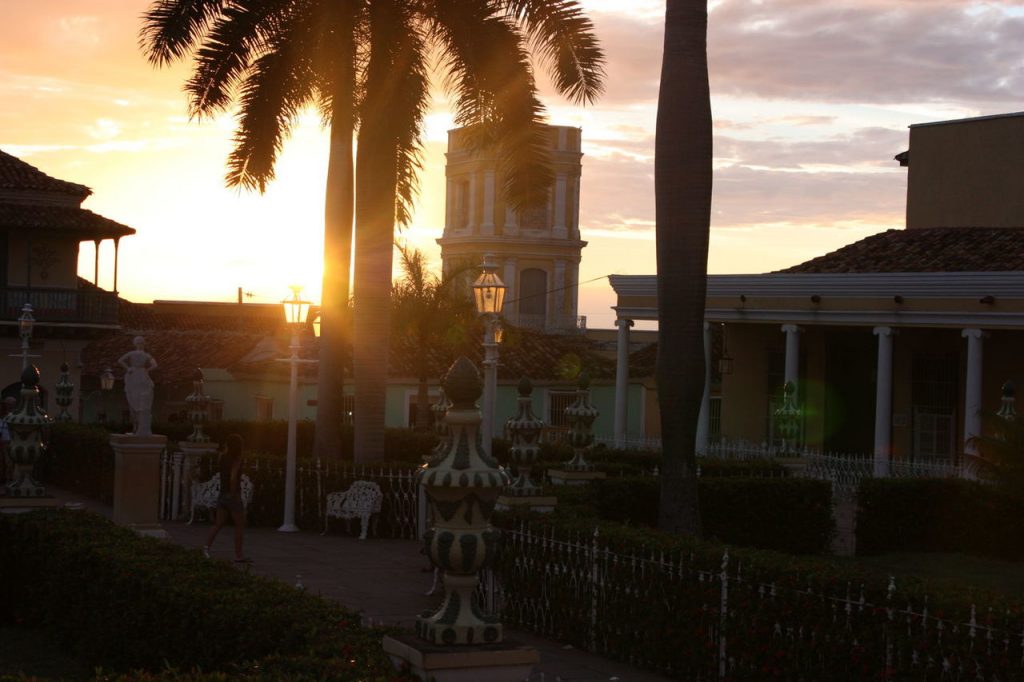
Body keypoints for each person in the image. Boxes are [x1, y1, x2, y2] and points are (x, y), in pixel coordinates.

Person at [203, 434, 251, 563]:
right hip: (232, 495)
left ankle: (206, 547)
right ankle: (239, 555)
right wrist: (234, 493)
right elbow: (233, 476)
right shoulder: (237, 459)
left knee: (218, 524)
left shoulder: (222, 457)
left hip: (222, 495)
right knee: (240, 525)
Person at [118, 336, 158, 435]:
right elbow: (155, 365)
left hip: (133, 374)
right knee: (140, 401)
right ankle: (138, 427)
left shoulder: (132, 353)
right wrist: (146, 371)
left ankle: (137, 427)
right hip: (142, 375)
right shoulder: (146, 355)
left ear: (135, 344)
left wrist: (128, 368)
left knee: (135, 401)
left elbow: (120, 361)